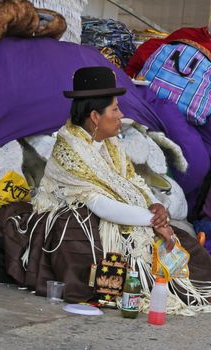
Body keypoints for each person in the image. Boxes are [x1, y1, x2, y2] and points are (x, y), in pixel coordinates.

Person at [34, 66, 211, 314]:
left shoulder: (111, 144)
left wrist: (155, 206)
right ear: (95, 116)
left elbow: (132, 180)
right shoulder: (70, 149)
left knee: (187, 248)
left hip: (127, 215)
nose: (121, 115)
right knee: (81, 230)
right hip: (86, 219)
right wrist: (151, 219)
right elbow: (98, 203)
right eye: (115, 109)